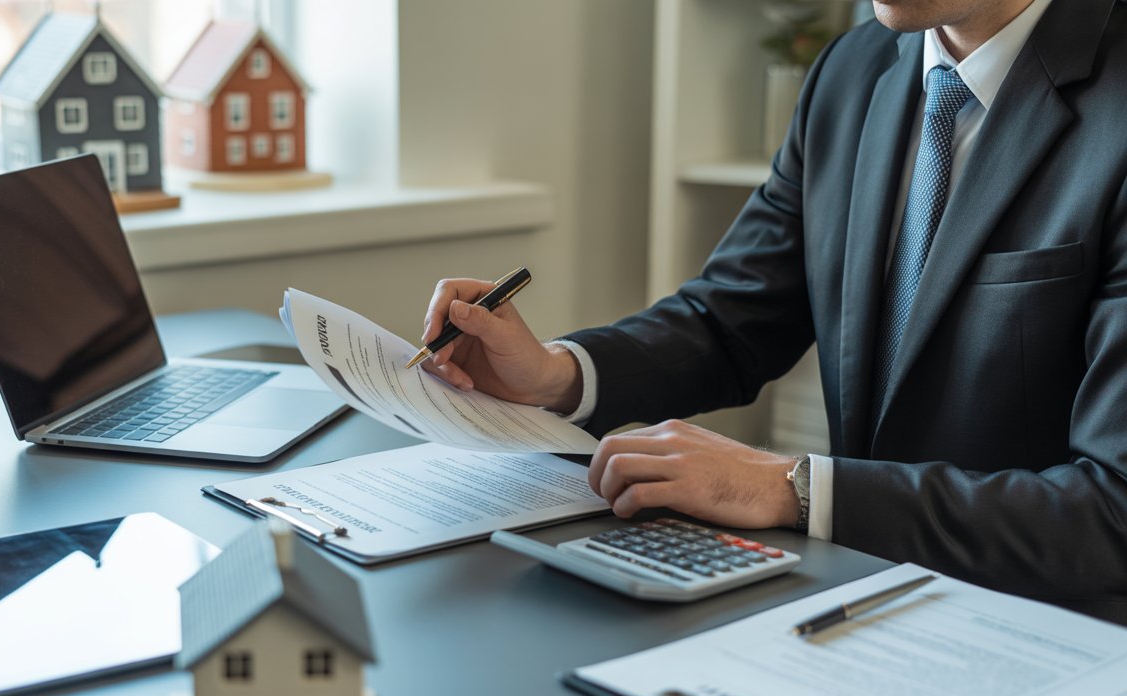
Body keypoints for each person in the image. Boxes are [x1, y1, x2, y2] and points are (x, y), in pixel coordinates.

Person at [419, 0, 1127, 621]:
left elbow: (1113, 512)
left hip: (1052, 631)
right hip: (860, 601)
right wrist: (558, 376)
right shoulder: (852, 70)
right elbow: (730, 319)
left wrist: (794, 487)